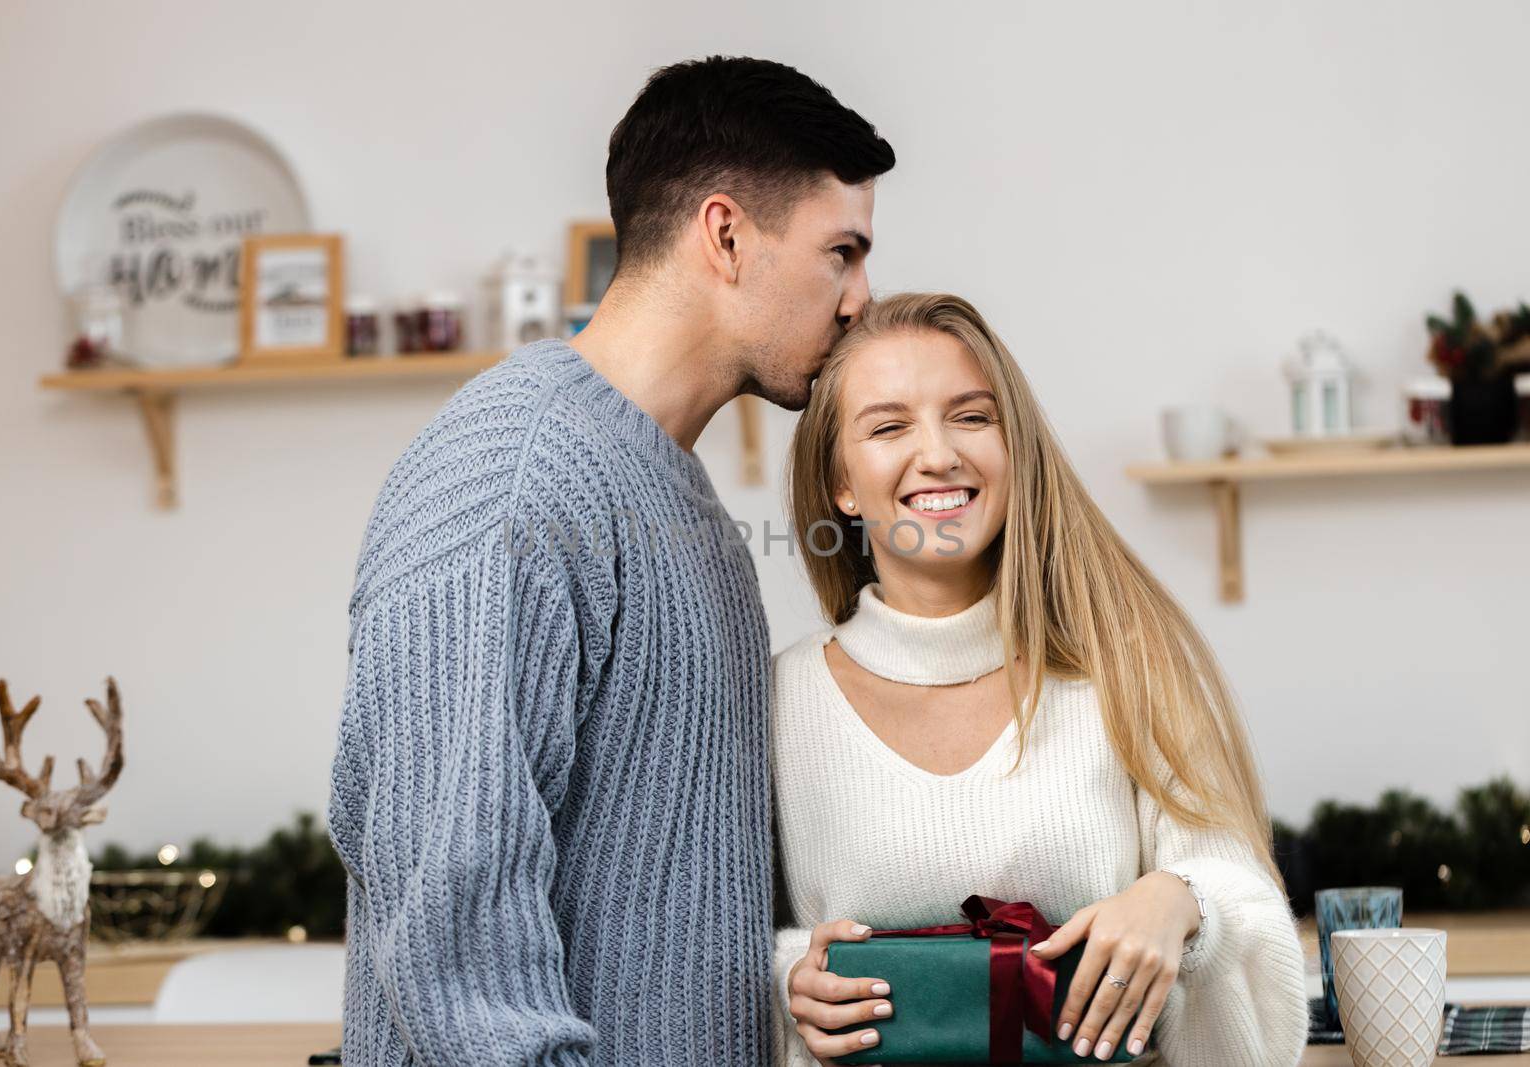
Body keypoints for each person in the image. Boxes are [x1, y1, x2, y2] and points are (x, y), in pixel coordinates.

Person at [327, 56, 893, 1066]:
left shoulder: (687, 508)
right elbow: (457, 952)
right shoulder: (513, 479)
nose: (861, 297)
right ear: (724, 234)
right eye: (840, 252)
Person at [773, 293, 1308, 1066]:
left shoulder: (1128, 668)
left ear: (1014, 445)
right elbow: (706, 955)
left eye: (971, 416)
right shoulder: (779, 701)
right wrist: (789, 975)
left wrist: (1183, 903)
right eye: (889, 426)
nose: (938, 453)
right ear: (840, 484)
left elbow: (1257, 935)